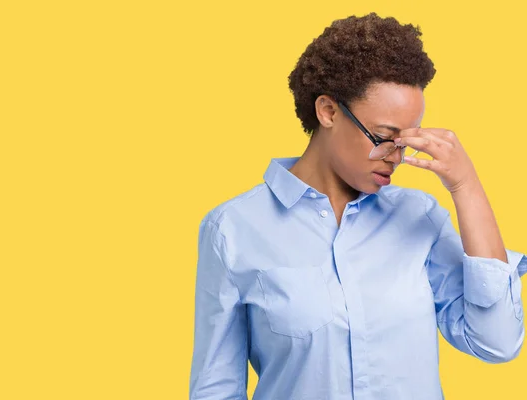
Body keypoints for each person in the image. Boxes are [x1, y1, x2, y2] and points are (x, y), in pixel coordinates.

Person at [189, 13, 527, 400]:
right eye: (384, 138)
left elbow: (497, 343)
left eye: (405, 143)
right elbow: (216, 388)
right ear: (328, 112)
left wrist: (466, 186)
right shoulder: (233, 229)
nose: (395, 158)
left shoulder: (420, 218)